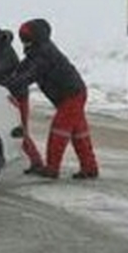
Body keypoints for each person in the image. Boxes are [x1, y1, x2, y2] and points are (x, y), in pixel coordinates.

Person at [5, 18, 99, 180]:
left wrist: (9, 84)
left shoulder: (44, 54)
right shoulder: (38, 51)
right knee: (79, 133)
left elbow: (30, 74)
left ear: (36, 37)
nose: (24, 42)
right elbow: (24, 68)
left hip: (71, 95)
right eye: (22, 38)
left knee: (59, 130)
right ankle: (89, 167)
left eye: (26, 38)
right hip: (71, 94)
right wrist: (11, 76)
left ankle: (52, 168)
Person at [0, 27, 45, 172]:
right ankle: (1, 156)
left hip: (17, 96)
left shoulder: (8, 53)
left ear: (0, 40)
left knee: (20, 129)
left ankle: (36, 161)